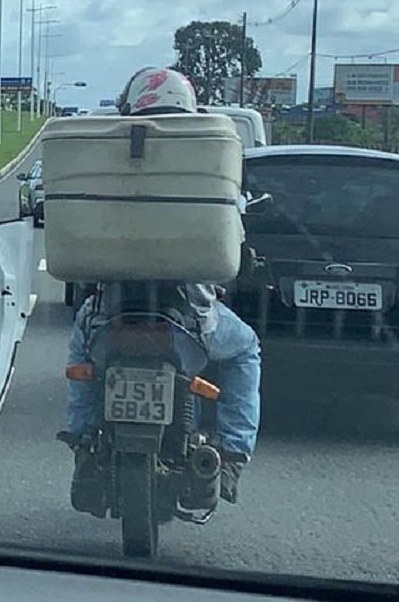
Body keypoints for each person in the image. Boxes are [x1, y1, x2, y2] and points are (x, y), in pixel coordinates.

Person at [57, 66, 262, 514]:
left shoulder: (106, 161)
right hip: (192, 323)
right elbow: (234, 243)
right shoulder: (207, 156)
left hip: (108, 319)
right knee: (246, 350)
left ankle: (82, 441)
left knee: (80, 349)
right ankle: (230, 456)